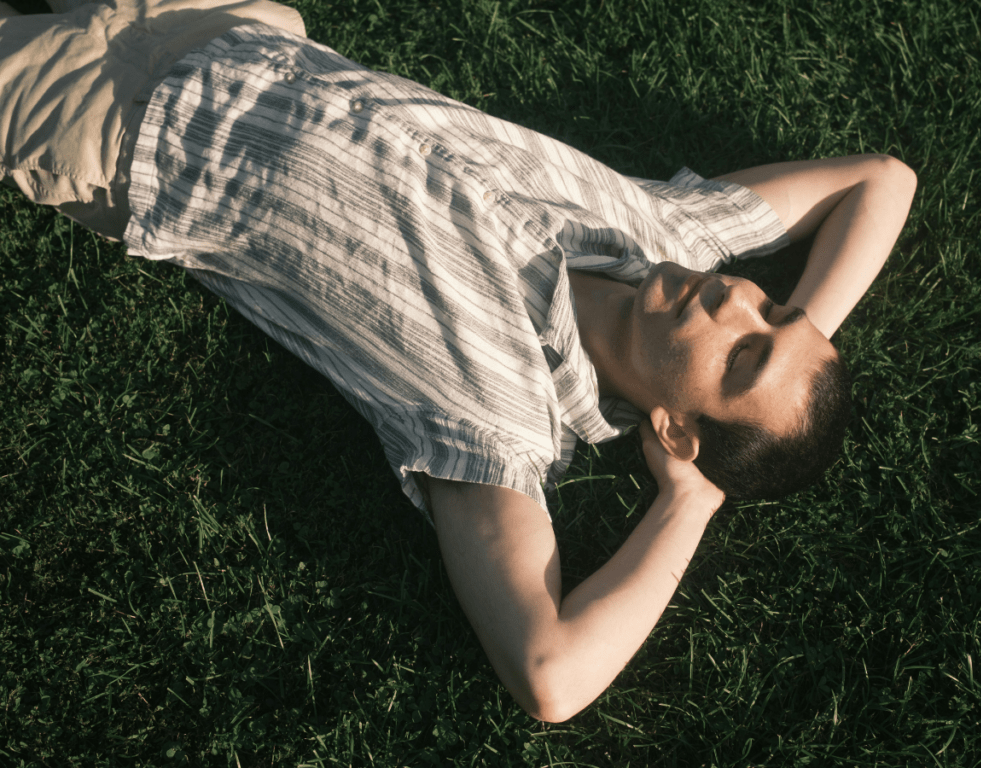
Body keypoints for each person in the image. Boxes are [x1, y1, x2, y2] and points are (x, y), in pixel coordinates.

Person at [0, 0, 916, 722]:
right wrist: (800, 347)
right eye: (775, 305)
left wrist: (693, 498)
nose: (737, 298)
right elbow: (884, 182)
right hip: (242, 28)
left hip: (119, 126)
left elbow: (553, 678)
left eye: (743, 354)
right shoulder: (667, 233)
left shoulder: (499, 425)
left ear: (675, 429)